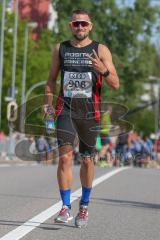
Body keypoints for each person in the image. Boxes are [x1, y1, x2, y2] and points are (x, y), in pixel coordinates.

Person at [44, 9, 119, 228]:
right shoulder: (61, 49)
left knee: (87, 160)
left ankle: (84, 207)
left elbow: (115, 83)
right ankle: (66, 207)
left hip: (89, 113)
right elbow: (51, 80)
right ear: (70, 26)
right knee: (65, 158)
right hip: (65, 111)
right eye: (76, 24)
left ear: (90, 26)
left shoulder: (100, 49)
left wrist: (103, 70)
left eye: (83, 24)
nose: (80, 28)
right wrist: (47, 107)